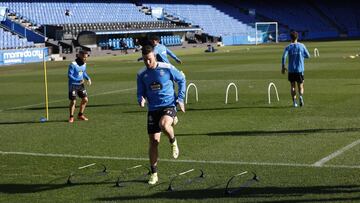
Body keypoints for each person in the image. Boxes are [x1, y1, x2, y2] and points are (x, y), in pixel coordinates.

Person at [137, 45, 186, 185]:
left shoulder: (167, 68)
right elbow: (140, 92)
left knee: (164, 125)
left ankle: (173, 141)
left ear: (154, 56)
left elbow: (182, 79)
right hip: (153, 109)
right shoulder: (141, 74)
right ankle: (154, 173)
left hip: (168, 105)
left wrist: (180, 99)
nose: (147, 63)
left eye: (150, 59)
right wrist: (140, 99)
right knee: (154, 142)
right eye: (145, 60)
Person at [281, 31, 310, 107]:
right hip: (299, 70)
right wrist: (301, 56)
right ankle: (300, 97)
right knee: (300, 86)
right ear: (297, 37)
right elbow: (308, 56)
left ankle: (294, 103)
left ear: (290, 38)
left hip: (291, 70)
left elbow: (284, 57)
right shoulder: (302, 46)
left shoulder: (288, 47)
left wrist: (283, 67)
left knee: (292, 86)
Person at [68, 50, 92, 123]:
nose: (85, 59)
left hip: (81, 85)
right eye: (84, 57)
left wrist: (88, 78)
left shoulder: (84, 64)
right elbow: (69, 75)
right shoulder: (73, 64)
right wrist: (77, 80)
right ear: (80, 55)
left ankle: (80, 115)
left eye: (86, 57)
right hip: (73, 85)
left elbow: (83, 72)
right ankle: (71, 117)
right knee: (73, 101)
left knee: (85, 99)